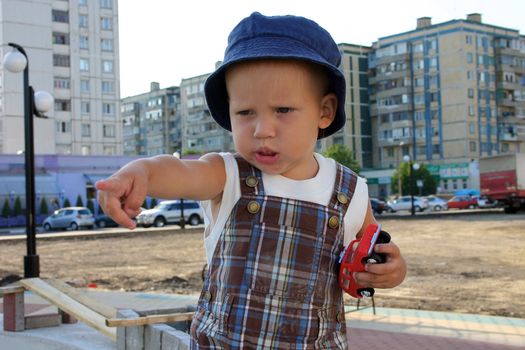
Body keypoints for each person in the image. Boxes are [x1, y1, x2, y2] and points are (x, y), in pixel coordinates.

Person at [96, 12, 406, 349]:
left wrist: (391, 270)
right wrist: (142, 173)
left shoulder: (349, 191)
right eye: (245, 113)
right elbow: (179, 172)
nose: (262, 130)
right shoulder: (227, 175)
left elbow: (375, 252)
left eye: (283, 110)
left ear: (324, 111)